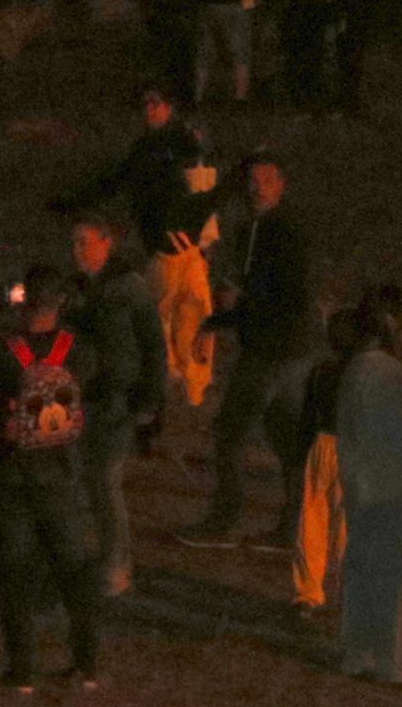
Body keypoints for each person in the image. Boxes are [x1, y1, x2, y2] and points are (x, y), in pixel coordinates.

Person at [0, 265, 105, 691]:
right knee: (73, 568)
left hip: (13, 473)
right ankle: (86, 664)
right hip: (61, 474)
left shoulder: (4, 352)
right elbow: (99, 379)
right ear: (60, 304)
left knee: (15, 572)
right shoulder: (80, 352)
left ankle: (21, 670)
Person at [53, 83, 221, 420]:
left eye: (156, 103)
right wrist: (74, 201)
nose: (150, 110)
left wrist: (205, 242)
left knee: (192, 316)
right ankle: (173, 391)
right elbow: (115, 182)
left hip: (186, 249)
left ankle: (192, 393)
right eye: (146, 104)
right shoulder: (146, 149)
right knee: (164, 317)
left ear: (170, 106)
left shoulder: (184, 143)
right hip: (163, 247)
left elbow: (204, 187)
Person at [186, 153, 315, 551]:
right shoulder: (251, 230)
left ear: (282, 185)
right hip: (286, 348)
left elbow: (290, 294)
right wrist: (219, 321)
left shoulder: (287, 233)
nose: (258, 186)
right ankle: (292, 530)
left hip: (274, 351)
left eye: (268, 179)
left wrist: (239, 304)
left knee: (230, 436)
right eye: (254, 179)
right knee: (288, 441)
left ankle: (223, 521)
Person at [64, 216, 168, 596]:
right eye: (73, 243)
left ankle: (116, 565)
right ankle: (89, 556)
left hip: (118, 400)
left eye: (83, 242)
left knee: (105, 481)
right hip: (86, 398)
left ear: (107, 242)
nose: (77, 252)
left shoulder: (129, 289)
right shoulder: (79, 288)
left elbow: (154, 347)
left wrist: (149, 401)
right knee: (86, 480)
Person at [333, 286, 402, 686]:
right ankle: (390, 658)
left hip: (360, 484)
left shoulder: (354, 368)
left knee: (360, 569)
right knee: (387, 575)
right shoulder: (390, 372)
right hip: (388, 488)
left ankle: (356, 652)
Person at [289, 304, 359, 620]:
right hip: (353, 448)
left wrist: (301, 452)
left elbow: (307, 415)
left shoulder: (322, 371)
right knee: (347, 528)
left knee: (312, 520)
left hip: (322, 443)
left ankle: (308, 592)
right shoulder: (364, 373)